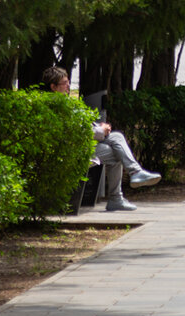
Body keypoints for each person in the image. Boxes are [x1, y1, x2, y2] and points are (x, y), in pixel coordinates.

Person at [42, 66, 160, 212]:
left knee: (116, 141)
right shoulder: (54, 106)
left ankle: (131, 178)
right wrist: (100, 131)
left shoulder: (64, 103)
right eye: (64, 83)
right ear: (53, 87)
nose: (68, 86)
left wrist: (99, 127)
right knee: (117, 150)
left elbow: (81, 125)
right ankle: (122, 190)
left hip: (81, 146)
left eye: (68, 82)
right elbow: (74, 131)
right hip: (71, 151)